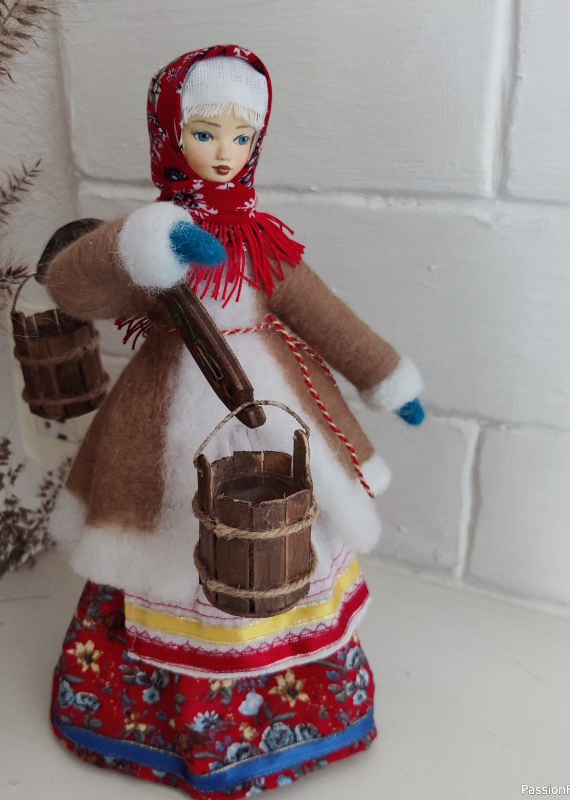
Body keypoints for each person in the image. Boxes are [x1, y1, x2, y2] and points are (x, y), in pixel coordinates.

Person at [47, 44, 424, 799]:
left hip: (274, 412)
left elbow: (326, 318)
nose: (225, 152)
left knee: (283, 534)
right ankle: (162, 717)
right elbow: (71, 285)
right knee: (169, 541)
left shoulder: (261, 241)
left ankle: (295, 709)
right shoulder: (150, 235)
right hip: (162, 425)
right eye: (204, 133)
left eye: (242, 136)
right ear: (168, 134)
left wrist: (384, 376)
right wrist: (142, 246)